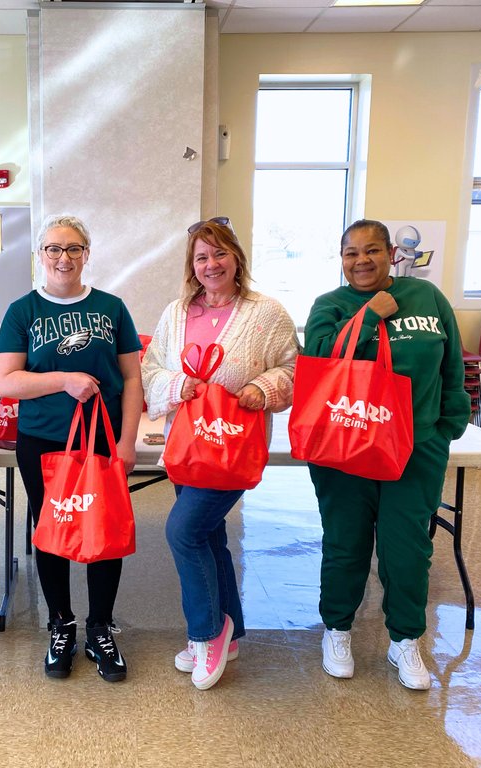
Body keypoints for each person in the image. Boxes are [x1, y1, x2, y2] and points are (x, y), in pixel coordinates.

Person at [305, 218, 470, 691]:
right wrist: (370, 315)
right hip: (345, 446)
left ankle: (406, 638)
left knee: (408, 549)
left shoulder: (429, 299)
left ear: (392, 252)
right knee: (345, 543)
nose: (362, 260)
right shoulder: (330, 305)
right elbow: (319, 358)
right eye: (351, 253)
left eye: (372, 250)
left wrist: (447, 427)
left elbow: (451, 362)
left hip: (415, 450)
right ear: (341, 259)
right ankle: (337, 630)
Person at [141, 216, 298, 690]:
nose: (212, 264)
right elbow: (151, 369)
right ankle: (230, 634)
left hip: (232, 447)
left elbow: (292, 369)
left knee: (183, 532)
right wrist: (177, 384)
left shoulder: (267, 313)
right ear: (192, 266)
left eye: (220, 254)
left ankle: (208, 633)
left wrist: (262, 386)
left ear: (237, 259)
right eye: (202, 257)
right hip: (188, 445)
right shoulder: (176, 313)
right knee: (209, 538)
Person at [0, 214, 143, 683]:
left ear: (87, 254)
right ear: (40, 255)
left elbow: (133, 378)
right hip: (41, 441)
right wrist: (65, 380)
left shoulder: (112, 307)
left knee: (103, 532)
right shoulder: (23, 311)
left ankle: (100, 627)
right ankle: (62, 624)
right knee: (53, 530)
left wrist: (127, 440)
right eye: (54, 249)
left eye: (73, 248)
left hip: (103, 438)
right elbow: (6, 381)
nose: (63, 257)